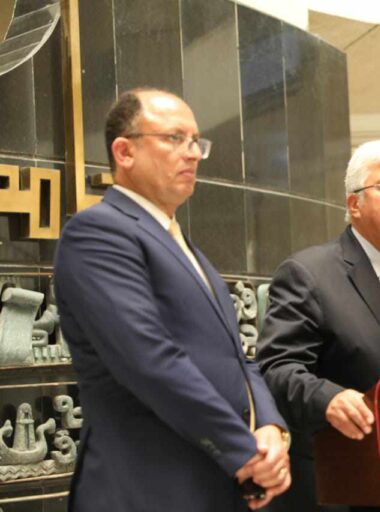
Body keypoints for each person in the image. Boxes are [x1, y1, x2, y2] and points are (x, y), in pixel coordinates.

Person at [53, 88, 291, 511]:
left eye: (196, 141)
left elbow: (239, 358)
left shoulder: (185, 247)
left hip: (213, 484)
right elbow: (147, 358)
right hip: (145, 487)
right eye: (174, 138)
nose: (193, 153)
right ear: (124, 152)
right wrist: (243, 452)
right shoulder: (99, 232)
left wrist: (270, 429)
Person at [256, 140, 380, 511]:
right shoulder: (309, 274)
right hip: (344, 479)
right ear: (354, 203)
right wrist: (329, 398)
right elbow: (277, 369)